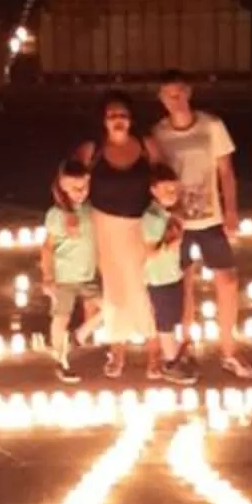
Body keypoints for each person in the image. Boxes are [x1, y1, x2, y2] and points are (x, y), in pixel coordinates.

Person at [148, 71, 252, 378]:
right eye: (169, 95)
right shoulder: (159, 134)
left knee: (228, 281)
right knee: (183, 285)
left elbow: (226, 172)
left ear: (189, 93)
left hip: (211, 218)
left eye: (180, 93)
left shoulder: (212, 126)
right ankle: (185, 347)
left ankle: (229, 349)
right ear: (161, 99)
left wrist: (231, 210)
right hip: (176, 223)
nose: (176, 99)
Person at [85, 92, 156, 380]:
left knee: (144, 286)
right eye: (112, 115)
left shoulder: (146, 146)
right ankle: (117, 351)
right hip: (104, 226)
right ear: (103, 120)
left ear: (131, 118)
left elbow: (164, 177)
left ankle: (155, 353)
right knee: (114, 289)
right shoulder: (93, 150)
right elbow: (70, 180)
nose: (118, 120)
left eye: (123, 114)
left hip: (140, 225)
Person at [40, 159, 99, 377]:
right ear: (64, 186)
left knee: (109, 309)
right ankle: (59, 359)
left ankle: (79, 336)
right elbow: (47, 248)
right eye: (75, 188)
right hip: (64, 277)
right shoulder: (56, 215)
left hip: (87, 276)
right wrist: (48, 277)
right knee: (61, 317)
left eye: (85, 187)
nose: (81, 192)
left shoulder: (88, 209)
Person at [140, 168, 187, 379]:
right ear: (153, 190)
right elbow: (148, 252)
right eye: (166, 189)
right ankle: (170, 362)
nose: (172, 192)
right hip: (159, 279)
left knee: (171, 319)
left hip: (172, 275)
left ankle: (173, 355)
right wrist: (170, 246)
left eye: (174, 188)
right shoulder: (152, 219)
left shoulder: (169, 215)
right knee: (165, 322)